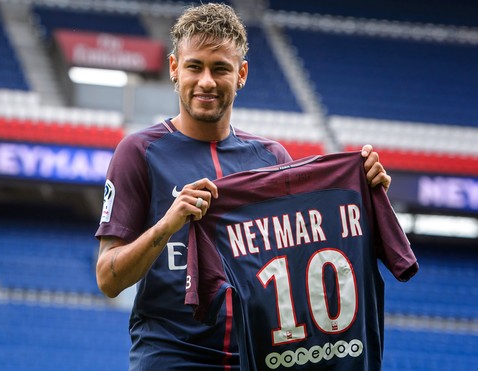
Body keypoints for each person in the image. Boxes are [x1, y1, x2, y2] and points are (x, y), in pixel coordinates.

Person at [95, 3, 391, 370]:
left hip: (259, 358)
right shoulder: (139, 152)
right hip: (170, 357)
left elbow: (310, 256)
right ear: (174, 68)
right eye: (194, 66)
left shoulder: (272, 158)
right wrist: (168, 224)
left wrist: (364, 194)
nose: (206, 81)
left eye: (220, 68)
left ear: (242, 74)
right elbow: (108, 278)